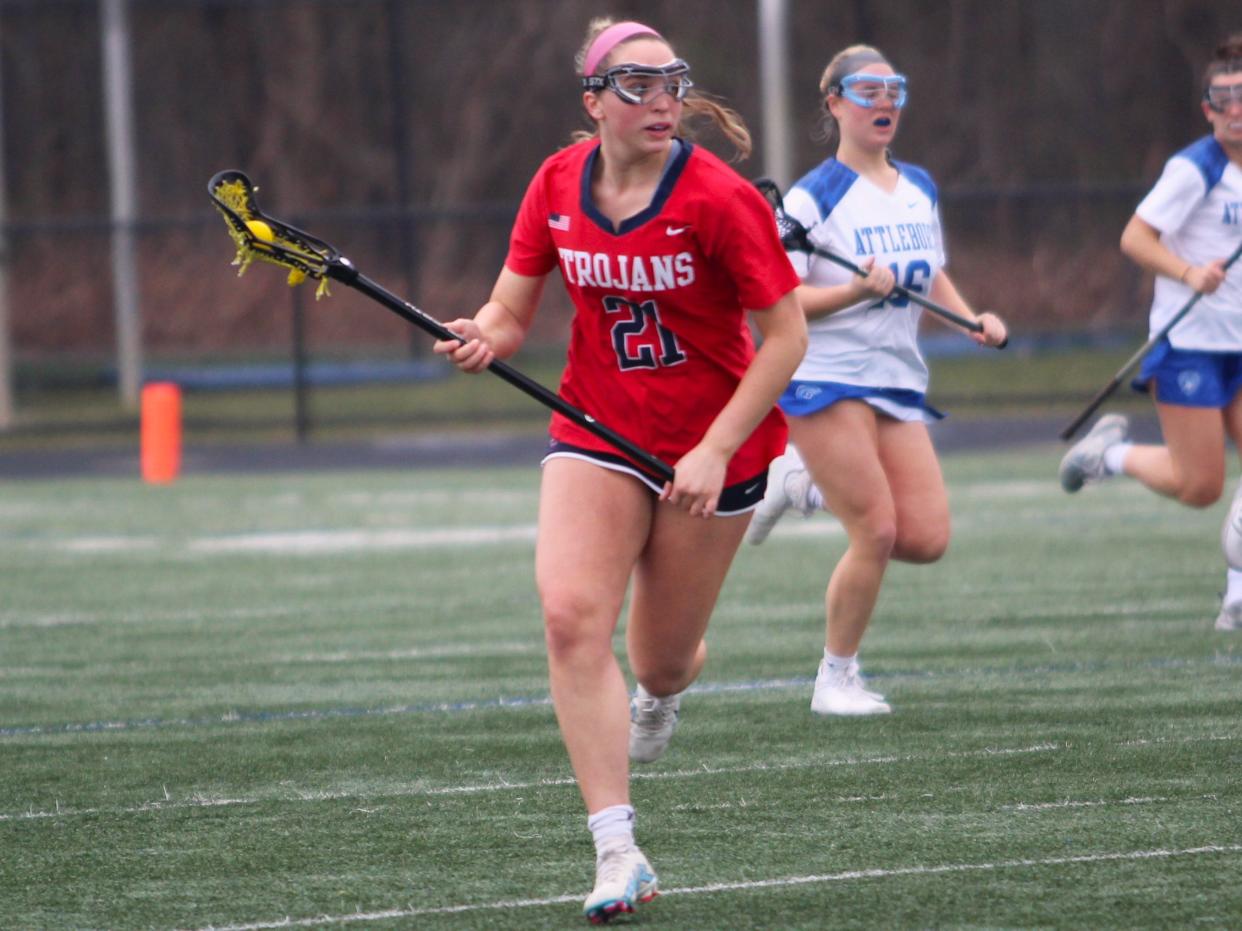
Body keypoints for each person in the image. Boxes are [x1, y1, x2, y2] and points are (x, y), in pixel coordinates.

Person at [433, 18, 807, 924]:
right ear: (593, 100)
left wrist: (715, 448)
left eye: (672, 82)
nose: (662, 101)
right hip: (597, 427)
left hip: (712, 448)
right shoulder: (557, 183)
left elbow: (788, 337)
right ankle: (617, 848)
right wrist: (486, 332)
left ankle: (662, 687)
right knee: (570, 617)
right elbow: (513, 307)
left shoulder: (718, 198)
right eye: (636, 85)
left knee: (663, 657)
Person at [743, 45, 1007, 717]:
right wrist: (856, 291)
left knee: (926, 536)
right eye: (867, 90)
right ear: (833, 103)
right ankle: (836, 677)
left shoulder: (918, 184)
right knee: (878, 530)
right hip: (824, 375)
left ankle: (798, 483)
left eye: (895, 89)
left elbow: (928, 268)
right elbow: (778, 301)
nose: (885, 101)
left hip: (895, 376)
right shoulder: (811, 197)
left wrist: (969, 316)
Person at [1059, 33, 1242, 632]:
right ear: (1207, 108)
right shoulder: (1195, 169)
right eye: (1224, 99)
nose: (1235, 110)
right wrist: (1190, 271)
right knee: (1201, 486)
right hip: (1192, 342)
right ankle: (1108, 454)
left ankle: (1237, 590)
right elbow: (1136, 238)